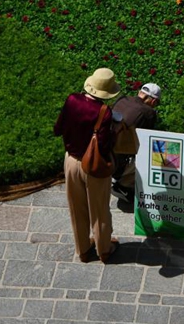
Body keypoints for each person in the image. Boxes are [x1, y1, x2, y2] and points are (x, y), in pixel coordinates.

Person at [54, 68, 122, 263]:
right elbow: (103, 145)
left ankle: (83, 250)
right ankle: (104, 249)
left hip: (71, 161)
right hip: (94, 166)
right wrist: (115, 130)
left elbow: (58, 128)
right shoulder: (104, 113)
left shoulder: (72, 100)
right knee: (99, 209)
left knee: (77, 207)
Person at [111, 82, 161, 204]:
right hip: (118, 161)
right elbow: (147, 139)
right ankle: (124, 184)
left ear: (139, 92)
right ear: (154, 102)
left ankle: (119, 178)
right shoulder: (148, 112)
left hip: (102, 150)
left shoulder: (122, 98)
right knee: (152, 154)